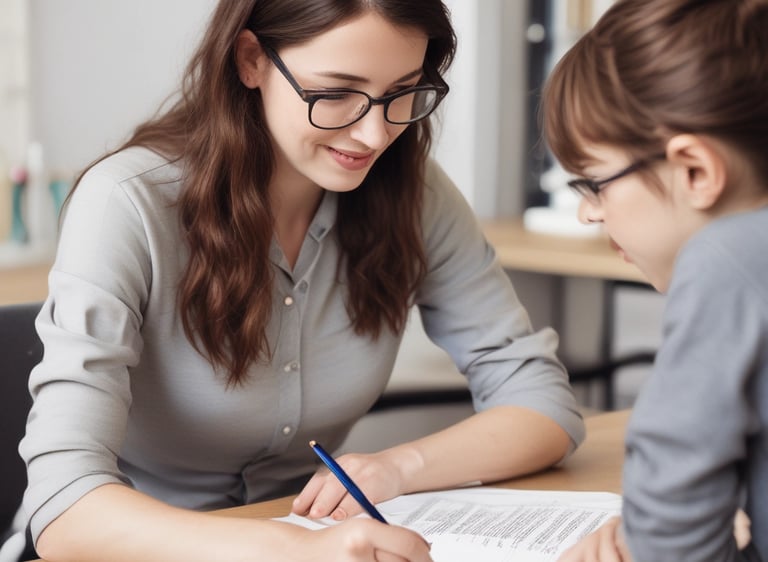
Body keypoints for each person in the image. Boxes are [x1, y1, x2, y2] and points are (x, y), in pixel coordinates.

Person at [15, 1, 585, 561]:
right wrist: (286, 549)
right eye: (335, 93)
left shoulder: (414, 194)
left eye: (400, 93)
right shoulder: (127, 203)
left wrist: (394, 467)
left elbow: (542, 404)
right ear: (250, 60)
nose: (372, 135)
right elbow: (65, 511)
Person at [538, 0, 768, 560]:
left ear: (695, 170)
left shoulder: (731, 257)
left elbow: (672, 528)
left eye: (595, 183)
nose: (588, 215)